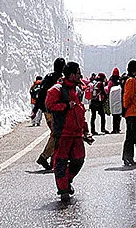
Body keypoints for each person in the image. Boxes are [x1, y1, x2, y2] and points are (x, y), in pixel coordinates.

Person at [45, 61, 93, 201]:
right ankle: (63, 190)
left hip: (76, 134)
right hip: (63, 133)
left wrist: (85, 131)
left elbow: (81, 112)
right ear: (71, 75)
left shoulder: (77, 90)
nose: (80, 76)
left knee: (79, 159)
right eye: (78, 73)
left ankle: (67, 180)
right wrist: (66, 105)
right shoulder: (57, 89)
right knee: (60, 162)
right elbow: (49, 105)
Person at [36, 58, 66, 170]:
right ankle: (44, 157)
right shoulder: (60, 79)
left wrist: (37, 109)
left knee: (57, 134)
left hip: (47, 110)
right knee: (56, 133)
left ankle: (54, 160)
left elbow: (40, 94)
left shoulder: (48, 77)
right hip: (54, 110)